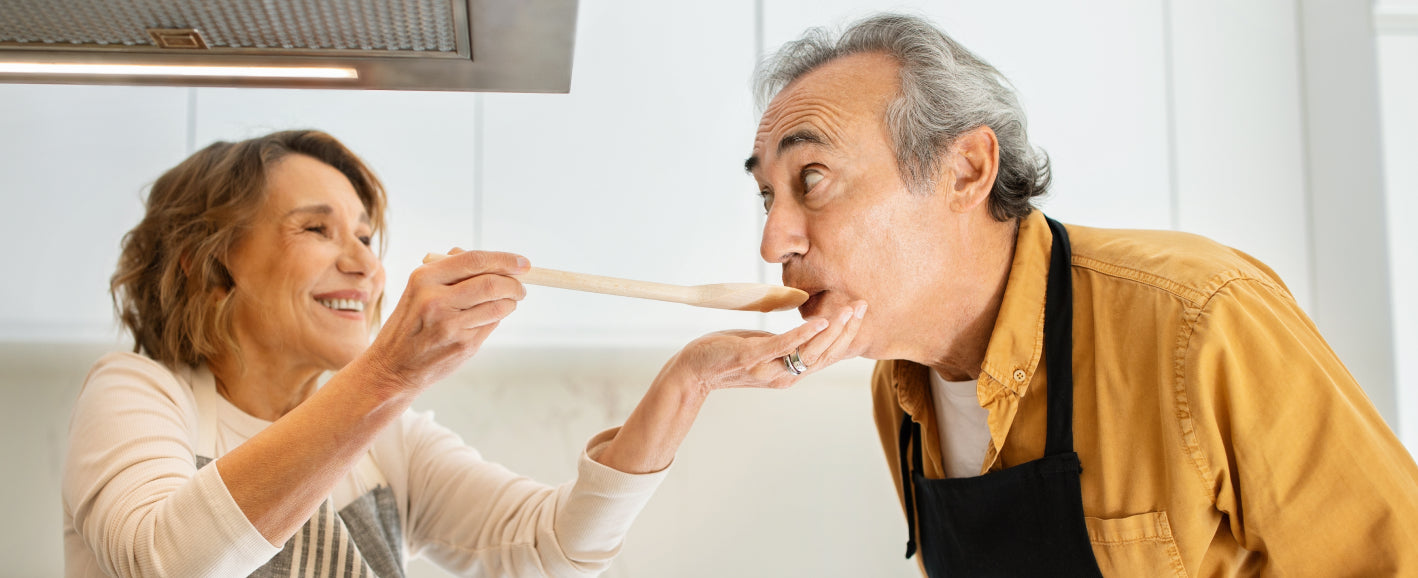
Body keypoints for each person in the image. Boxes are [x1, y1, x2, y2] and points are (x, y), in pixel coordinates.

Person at [745, 13, 1418, 577]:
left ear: (966, 170)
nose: (774, 242)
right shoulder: (899, 393)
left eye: (812, 178)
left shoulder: (1198, 318)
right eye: (767, 194)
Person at [62, 129, 866, 578]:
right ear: (209, 262)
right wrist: (386, 373)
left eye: (368, 237)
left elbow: (550, 546)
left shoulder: (384, 434)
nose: (366, 265)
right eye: (317, 229)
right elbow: (162, 565)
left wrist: (688, 382)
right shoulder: (142, 393)